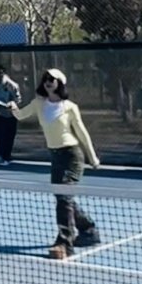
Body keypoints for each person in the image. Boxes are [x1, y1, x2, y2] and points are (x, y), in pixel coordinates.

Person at [8, 68, 100, 260]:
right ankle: (88, 230)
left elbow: (82, 133)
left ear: (60, 83)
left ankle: (65, 242)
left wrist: (92, 157)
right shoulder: (38, 104)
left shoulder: (70, 107)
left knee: (64, 196)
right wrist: (13, 107)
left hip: (72, 156)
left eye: (52, 79)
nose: (48, 81)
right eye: (46, 79)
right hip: (55, 156)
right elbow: (20, 115)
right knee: (62, 197)